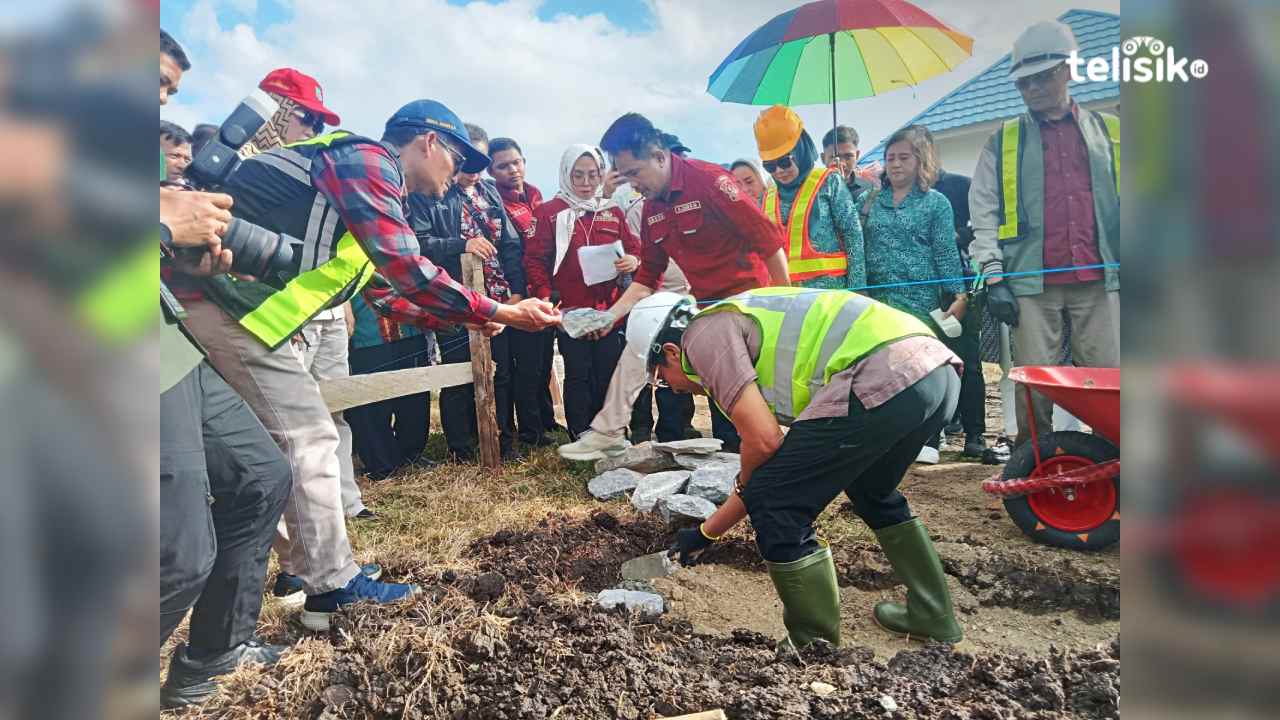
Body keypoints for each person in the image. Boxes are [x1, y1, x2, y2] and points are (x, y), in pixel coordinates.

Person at [181, 97, 560, 632]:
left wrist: (472, 320)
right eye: (458, 162)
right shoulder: (367, 161)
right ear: (429, 142)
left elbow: (385, 294)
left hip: (241, 313)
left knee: (288, 445)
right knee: (311, 438)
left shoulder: (364, 192)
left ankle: (301, 572)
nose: (457, 180)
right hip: (226, 306)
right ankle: (332, 589)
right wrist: (498, 310)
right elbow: (409, 268)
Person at [636, 288, 964, 649]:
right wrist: (705, 534)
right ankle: (933, 616)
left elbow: (764, 444)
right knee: (871, 490)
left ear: (670, 352)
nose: (672, 389)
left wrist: (748, 493)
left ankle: (813, 648)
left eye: (662, 379)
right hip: (934, 371)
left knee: (778, 507)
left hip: (882, 372)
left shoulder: (702, 337)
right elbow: (766, 460)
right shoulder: (731, 323)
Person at [158, 28, 293, 707]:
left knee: (261, 476)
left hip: (162, 339)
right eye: (153, 84)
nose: (159, 105)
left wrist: (182, 255)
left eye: (169, 93)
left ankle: (211, 660)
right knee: (176, 554)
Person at [564, 113, 789, 457]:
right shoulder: (653, 207)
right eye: (625, 177)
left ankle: (752, 454)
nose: (632, 185)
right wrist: (610, 316)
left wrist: (784, 304)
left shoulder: (711, 181)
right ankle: (608, 430)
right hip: (705, 306)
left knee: (740, 394)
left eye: (635, 173)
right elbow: (646, 277)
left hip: (749, 304)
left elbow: (769, 242)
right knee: (643, 334)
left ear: (660, 156)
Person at [968, 20, 1120, 449]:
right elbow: (984, 211)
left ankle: (1115, 464)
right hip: (1031, 284)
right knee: (1033, 383)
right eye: (1023, 82)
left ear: (1068, 70)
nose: (1031, 88)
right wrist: (994, 278)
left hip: (1100, 279)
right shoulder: (1003, 142)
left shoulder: (1110, 133)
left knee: (1110, 381)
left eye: (1041, 77)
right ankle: (1034, 460)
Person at [411, 123, 529, 461]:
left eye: (481, 164)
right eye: (468, 163)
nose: (474, 172)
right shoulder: (430, 193)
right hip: (454, 297)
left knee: (501, 371)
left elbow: (509, 243)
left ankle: (504, 441)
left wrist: (516, 293)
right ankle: (461, 448)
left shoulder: (490, 193)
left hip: (497, 297)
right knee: (460, 372)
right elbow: (419, 244)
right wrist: (462, 244)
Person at [858, 126, 967, 465]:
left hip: (921, 299)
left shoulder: (936, 203)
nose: (895, 164)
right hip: (879, 301)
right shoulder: (868, 201)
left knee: (922, 369)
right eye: (890, 158)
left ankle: (928, 438)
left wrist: (960, 295)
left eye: (904, 157)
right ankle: (885, 437)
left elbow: (946, 252)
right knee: (881, 370)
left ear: (921, 161)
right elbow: (858, 249)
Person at [528, 145, 639, 439]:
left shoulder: (612, 211)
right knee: (578, 375)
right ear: (566, 174)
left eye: (593, 175)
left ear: (601, 175)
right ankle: (581, 434)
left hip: (609, 312)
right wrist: (548, 300)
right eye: (578, 175)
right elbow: (535, 260)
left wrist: (633, 261)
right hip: (570, 312)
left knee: (608, 374)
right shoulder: (549, 213)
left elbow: (636, 251)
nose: (586, 183)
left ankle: (610, 432)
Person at [915, 125, 987, 458]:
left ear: (931, 151)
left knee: (967, 363)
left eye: (917, 151)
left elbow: (983, 231)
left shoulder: (960, 187)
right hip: (918, 293)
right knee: (925, 365)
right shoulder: (899, 196)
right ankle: (932, 432)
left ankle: (975, 434)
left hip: (957, 291)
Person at [490, 136, 560, 442]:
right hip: (515, 294)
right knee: (525, 367)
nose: (512, 170)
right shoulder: (493, 201)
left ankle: (546, 420)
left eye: (516, 163)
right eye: (503, 166)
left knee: (544, 362)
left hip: (544, 290)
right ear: (492, 171)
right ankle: (530, 431)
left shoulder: (536, 197)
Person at [754, 105, 865, 290]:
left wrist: (858, 290)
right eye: (770, 166)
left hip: (830, 298)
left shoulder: (829, 182)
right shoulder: (766, 198)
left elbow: (853, 236)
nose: (779, 171)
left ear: (800, 151)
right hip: (784, 301)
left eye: (784, 161)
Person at [345, 293, 435, 479]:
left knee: (415, 398)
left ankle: (411, 455)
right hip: (366, 332)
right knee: (371, 404)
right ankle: (380, 464)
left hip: (410, 327)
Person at [821, 124, 879, 196]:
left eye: (848, 156)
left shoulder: (869, 190)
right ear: (823, 158)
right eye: (834, 157)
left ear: (857, 156)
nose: (842, 163)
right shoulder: (812, 191)